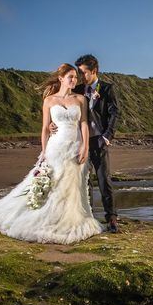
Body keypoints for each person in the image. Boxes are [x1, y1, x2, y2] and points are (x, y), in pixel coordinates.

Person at [0, 63, 102, 244]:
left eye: (76, 77)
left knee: (71, 184)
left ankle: (68, 218)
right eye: (70, 77)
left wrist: (85, 147)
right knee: (54, 183)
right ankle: (49, 218)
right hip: (56, 146)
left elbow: (84, 124)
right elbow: (45, 129)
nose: (74, 80)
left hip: (75, 145)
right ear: (61, 78)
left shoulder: (80, 99)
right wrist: (44, 152)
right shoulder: (49, 100)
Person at [50, 54, 119, 232]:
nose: (81, 77)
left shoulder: (107, 89)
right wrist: (53, 124)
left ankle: (111, 218)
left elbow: (114, 114)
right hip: (78, 142)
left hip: (99, 140)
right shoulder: (78, 89)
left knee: (104, 179)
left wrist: (107, 137)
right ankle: (86, 216)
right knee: (82, 181)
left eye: (83, 72)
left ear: (94, 71)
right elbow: (64, 107)